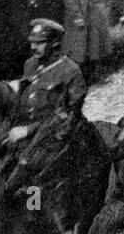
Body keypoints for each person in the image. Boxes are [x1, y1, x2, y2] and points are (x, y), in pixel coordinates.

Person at [7, 18, 87, 146]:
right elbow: (25, 101)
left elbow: (67, 117)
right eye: (32, 42)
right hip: (29, 131)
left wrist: (28, 130)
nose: (33, 47)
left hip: (56, 136)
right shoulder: (30, 64)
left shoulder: (70, 71)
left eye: (40, 43)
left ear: (54, 43)